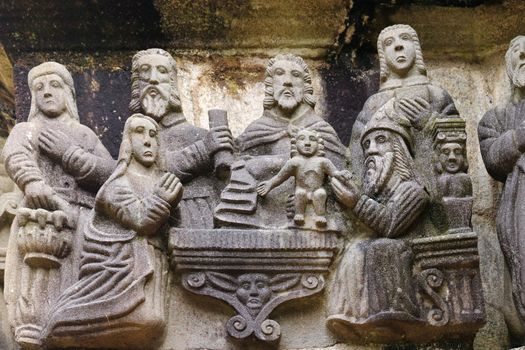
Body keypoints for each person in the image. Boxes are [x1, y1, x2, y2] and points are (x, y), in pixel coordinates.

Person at [43, 114, 182, 349]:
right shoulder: (116, 185)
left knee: (153, 321)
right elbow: (141, 220)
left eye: (153, 135)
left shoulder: (162, 181)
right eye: (139, 132)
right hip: (122, 270)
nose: (148, 141)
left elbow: (171, 230)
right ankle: (67, 320)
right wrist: (163, 199)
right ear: (127, 142)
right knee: (147, 320)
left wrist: (174, 207)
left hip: (155, 264)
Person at [1, 62, 115, 335]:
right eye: (39, 88)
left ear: (69, 94)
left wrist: (73, 156)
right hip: (40, 219)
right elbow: (15, 156)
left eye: (55, 85)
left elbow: (112, 173)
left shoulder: (84, 135)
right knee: (38, 286)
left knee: (79, 285)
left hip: (83, 218)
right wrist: (32, 182)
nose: (47, 92)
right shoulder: (27, 130)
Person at [327, 100, 428, 339]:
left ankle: (393, 314)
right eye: (367, 144)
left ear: (400, 149)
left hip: (403, 253)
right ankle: (352, 315)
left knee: (381, 247)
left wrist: (357, 202)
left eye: (381, 141)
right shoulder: (376, 194)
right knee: (354, 247)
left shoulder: (413, 191)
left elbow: (391, 225)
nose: (371, 150)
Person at [215, 54, 346, 229]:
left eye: (296, 75)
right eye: (280, 74)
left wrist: (310, 204)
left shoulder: (321, 130)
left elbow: (337, 181)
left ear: (305, 86)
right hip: (260, 220)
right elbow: (235, 172)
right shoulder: (257, 129)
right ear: (270, 86)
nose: (288, 82)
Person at [349, 24, 459, 193]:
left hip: (432, 189)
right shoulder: (374, 103)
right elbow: (357, 153)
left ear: (416, 48)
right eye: (389, 43)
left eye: (405, 39)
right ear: (383, 57)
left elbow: (456, 140)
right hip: (383, 192)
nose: (398, 45)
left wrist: (429, 123)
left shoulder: (436, 95)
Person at [130, 48, 232, 228]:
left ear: (173, 84)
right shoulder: (131, 141)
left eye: (161, 72)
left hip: (197, 222)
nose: (153, 79)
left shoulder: (199, 135)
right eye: (145, 71)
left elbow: (228, 181)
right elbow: (148, 172)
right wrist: (203, 150)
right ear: (137, 85)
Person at [478, 35, 525, 339]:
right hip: (520, 202)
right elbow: (493, 158)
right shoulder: (496, 117)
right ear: (510, 67)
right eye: (520, 56)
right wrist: (520, 136)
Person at [257, 128, 343, 227]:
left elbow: (334, 173)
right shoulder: (295, 162)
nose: (307, 143)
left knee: (321, 193)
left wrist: (342, 174)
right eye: (302, 139)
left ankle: (320, 215)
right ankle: (299, 214)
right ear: (295, 144)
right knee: (300, 193)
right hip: (302, 190)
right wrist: (269, 184)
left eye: (312, 139)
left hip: (317, 190)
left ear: (319, 144)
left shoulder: (323, 161)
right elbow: (280, 177)